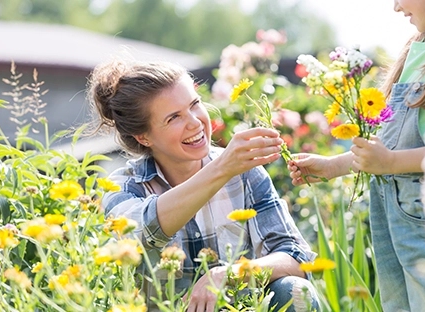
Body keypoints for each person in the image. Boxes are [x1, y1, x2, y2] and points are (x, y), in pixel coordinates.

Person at [288, 0, 425, 311]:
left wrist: (390, 163)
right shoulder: (418, 46)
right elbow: (391, 143)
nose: (395, 7)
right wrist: (333, 166)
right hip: (389, 207)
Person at [87, 57, 319, 312]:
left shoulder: (243, 172)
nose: (195, 122)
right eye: (174, 117)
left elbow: (296, 256)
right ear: (144, 137)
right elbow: (144, 231)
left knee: (295, 291)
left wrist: (230, 273)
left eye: (194, 104)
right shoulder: (122, 187)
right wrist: (222, 169)